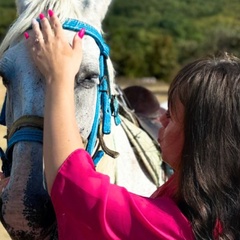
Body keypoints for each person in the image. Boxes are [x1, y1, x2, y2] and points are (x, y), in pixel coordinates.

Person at [24, 10, 240, 239]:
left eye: (173, 116)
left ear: (204, 140)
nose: (161, 118)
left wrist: (58, 78)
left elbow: (75, 190)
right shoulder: (218, 206)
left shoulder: (178, 228)